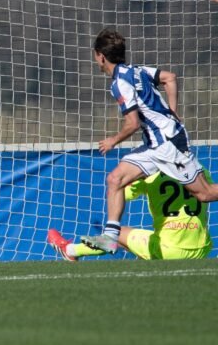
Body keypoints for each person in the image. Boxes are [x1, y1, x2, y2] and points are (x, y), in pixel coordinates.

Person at [82, 27, 218, 253]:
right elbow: (170, 78)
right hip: (154, 145)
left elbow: (133, 124)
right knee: (115, 179)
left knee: (204, 194)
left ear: (101, 56)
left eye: (95, 55)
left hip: (169, 144)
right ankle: (110, 237)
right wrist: (172, 111)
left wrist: (113, 140)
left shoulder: (119, 83)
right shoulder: (136, 70)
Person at [47, 169, 213, 261]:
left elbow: (120, 194)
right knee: (143, 243)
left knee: (116, 234)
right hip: (201, 249)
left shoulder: (151, 176)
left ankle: (71, 250)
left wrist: (132, 177)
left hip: (169, 250)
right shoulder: (201, 171)